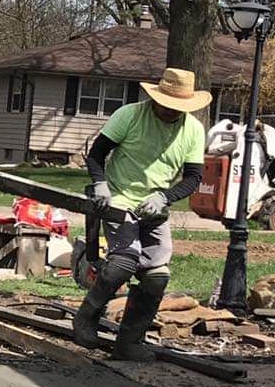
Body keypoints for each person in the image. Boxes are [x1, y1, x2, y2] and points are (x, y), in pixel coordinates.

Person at [72, 67, 209, 360]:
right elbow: (96, 154)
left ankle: (129, 342)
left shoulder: (194, 131)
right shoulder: (130, 115)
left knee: (156, 276)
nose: (171, 111)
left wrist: (165, 197)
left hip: (155, 205)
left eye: (178, 108)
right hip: (119, 197)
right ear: (156, 98)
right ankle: (86, 317)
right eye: (167, 104)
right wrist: (100, 185)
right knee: (122, 263)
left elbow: (193, 178)